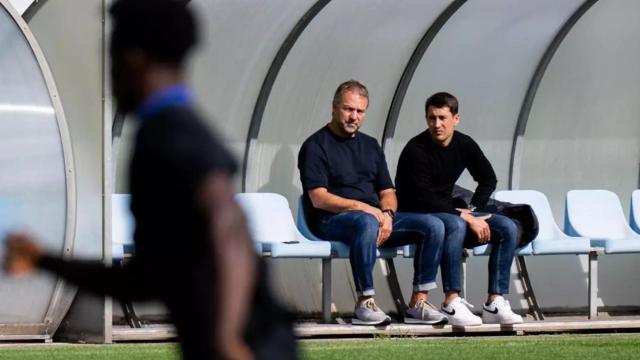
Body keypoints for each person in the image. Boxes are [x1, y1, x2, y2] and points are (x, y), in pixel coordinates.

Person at [3, 0, 297, 359]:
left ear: (132, 58)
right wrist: (45, 261)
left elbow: (228, 222)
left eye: (111, 62)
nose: (110, 76)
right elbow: (142, 280)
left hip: (252, 346)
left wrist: (227, 339)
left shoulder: (167, 132)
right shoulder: (168, 129)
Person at [298, 80, 448, 326]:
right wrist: (366, 209)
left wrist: (387, 213)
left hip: (374, 218)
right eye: (348, 109)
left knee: (434, 225)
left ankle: (418, 303)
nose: (353, 116)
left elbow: (387, 191)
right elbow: (318, 197)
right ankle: (364, 302)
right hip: (330, 220)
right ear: (334, 107)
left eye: (360, 111)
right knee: (366, 222)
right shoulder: (315, 146)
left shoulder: (370, 145)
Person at [395, 91, 523, 326]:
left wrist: (474, 209)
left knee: (507, 227)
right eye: (432, 118)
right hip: (418, 212)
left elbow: (488, 178)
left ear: (456, 118)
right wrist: (464, 216)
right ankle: (451, 301)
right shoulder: (416, 150)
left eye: (443, 118)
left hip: (449, 208)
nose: (437, 124)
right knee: (454, 223)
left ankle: (495, 301)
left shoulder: (464, 143)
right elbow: (423, 198)